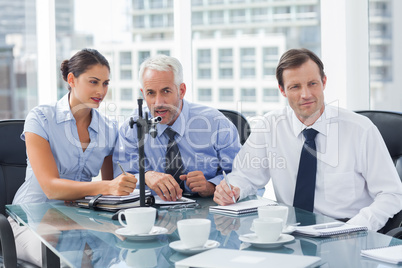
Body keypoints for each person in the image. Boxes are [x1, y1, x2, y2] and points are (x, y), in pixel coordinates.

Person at [213, 48, 402, 231]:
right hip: (290, 233)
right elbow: (245, 175)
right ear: (282, 90)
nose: (306, 95)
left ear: (324, 82)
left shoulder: (361, 130)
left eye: (313, 83)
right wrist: (233, 190)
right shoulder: (269, 126)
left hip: (348, 230)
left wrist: (355, 228)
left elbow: (392, 194)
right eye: (295, 87)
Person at [9, 48, 137, 266]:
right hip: (31, 219)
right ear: (72, 79)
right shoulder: (40, 118)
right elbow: (52, 188)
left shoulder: (109, 129)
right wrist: (107, 187)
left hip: (78, 220)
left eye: (105, 83)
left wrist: (122, 186)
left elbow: (111, 191)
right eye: (94, 82)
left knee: (119, 250)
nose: (101, 91)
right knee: (59, 255)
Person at [113, 54, 241, 201]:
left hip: (209, 213)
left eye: (166, 91)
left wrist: (212, 185)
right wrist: (145, 176)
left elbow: (241, 174)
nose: (158, 102)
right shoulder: (133, 127)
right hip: (155, 214)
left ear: (181, 90)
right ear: (143, 94)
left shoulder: (216, 123)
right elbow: (120, 178)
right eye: (151, 93)